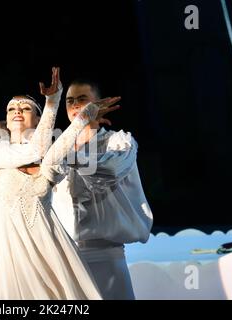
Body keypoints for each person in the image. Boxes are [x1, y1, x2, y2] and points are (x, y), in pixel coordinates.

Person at [0, 67, 120, 299]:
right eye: (11, 108)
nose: (17, 111)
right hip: (16, 260)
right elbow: (37, 150)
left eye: (25, 108)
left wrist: (82, 117)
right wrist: (53, 102)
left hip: (53, 252)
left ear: (38, 117)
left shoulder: (51, 154)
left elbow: (48, 153)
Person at [50, 79, 154, 299]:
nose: (76, 105)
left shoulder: (119, 142)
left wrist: (68, 153)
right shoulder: (56, 148)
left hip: (106, 255)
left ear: (98, 103)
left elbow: (108, 172)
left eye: (82, 99)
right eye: (70, 101)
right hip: (65, 256)